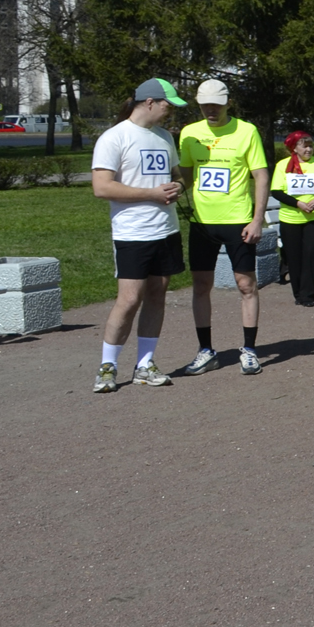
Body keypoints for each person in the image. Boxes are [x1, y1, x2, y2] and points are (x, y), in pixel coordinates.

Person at [91, 79, 189, 392]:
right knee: (130, 299)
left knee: (157, 295)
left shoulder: (164, 137)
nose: (169, 110)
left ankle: (145, 364)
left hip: (166, 230)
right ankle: (108, 366)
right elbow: (102, 187)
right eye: (166, 104)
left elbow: (176, 176)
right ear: (149, 102)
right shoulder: (114, 137)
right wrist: (150, 193)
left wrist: (179, 187)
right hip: (133, 233)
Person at [177, 78, 269, 376]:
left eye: (215, 104)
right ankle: (206, 350)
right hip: (202, 223)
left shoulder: (247, 131)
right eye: (205, 105)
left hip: (238, 221)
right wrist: (169, 189)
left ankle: (250, 349)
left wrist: (257, 219)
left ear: (227, 102)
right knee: (201, 286)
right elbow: (187, 178)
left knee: (246, 285)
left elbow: (261, 176)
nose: (210, 110)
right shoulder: (190, 134)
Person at [272, 130, 314, 307]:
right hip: (290, 218)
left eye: (310, 146)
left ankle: (308, 296)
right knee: (294, 257)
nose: (308, 149)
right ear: (294, 148)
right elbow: (276, 191)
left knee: (309, 255)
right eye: (304, 146)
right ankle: (297, 293)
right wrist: (298, 203)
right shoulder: (283, 165)